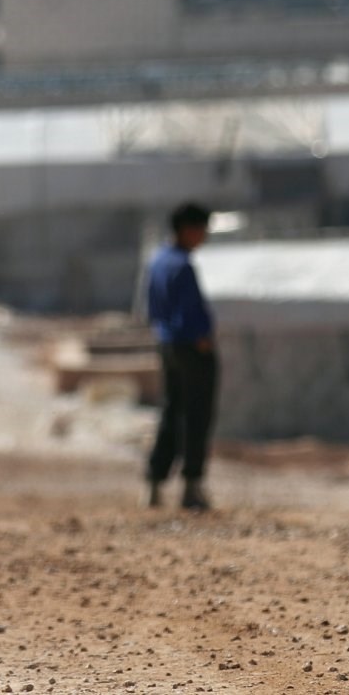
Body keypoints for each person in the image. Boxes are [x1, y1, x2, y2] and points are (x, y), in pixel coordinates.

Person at [144, 201, 217, 512]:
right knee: (196, 415)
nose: (204, 237)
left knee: (171, 412)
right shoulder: (182, 266)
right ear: (187, 229)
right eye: (201, 230)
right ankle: (191, 486)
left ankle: (154, 482)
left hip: (167, 345)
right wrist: (203, 341)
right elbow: (191, 315)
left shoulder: (158, 261)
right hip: (190, 348)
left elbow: (152, 309)